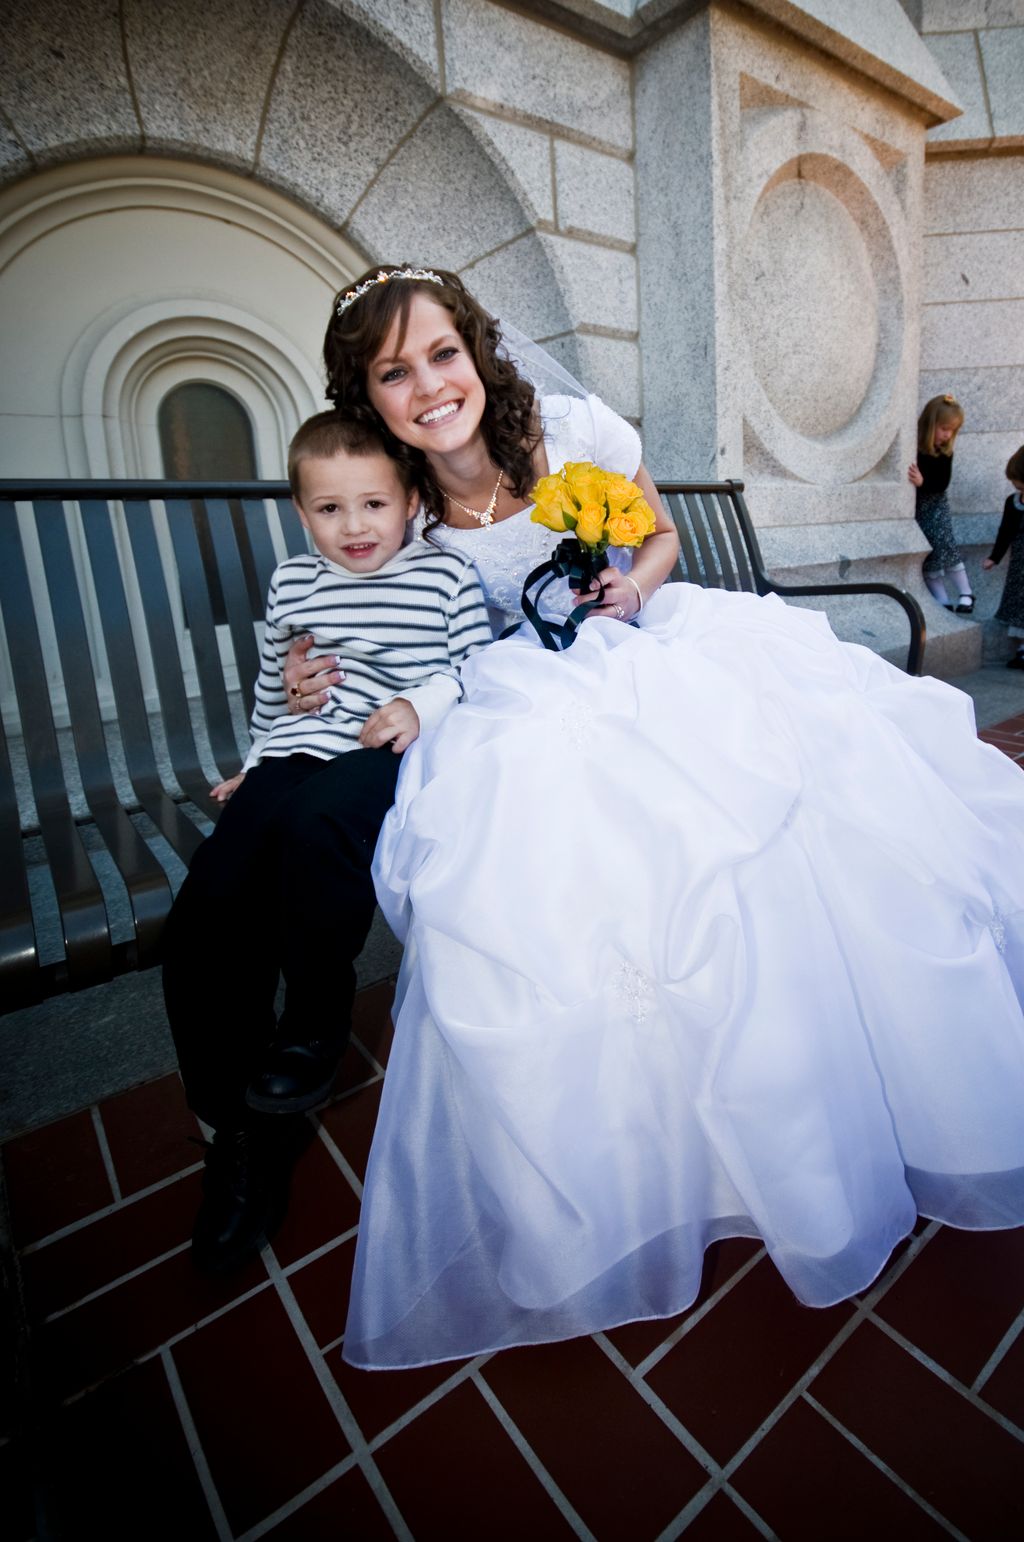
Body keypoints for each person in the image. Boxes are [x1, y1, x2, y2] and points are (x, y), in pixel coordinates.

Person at [287, 265, 1024, 1370]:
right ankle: (634, 1157)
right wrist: (312, 675)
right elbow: (370, 610)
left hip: (646, 642)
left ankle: (798, 1118)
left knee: (759, 813)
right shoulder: (393, 495)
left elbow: (662, 542)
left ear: (475, 349)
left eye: (442, 353)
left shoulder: (569, 428)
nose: (430, 386)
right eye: (396, 371)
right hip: (515, 689)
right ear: (369, 393)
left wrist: (628, 586)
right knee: (536, 856)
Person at [162, 409, 491, 1273]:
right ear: (302, 512)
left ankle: (313, 1026)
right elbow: (281, 688)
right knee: (209, 900)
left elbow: (477, 670)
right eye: (330, 509)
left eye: (374, 505)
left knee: (314, 828)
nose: (354, 528)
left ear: (412, 501)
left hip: (390, 754)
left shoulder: (445, 577)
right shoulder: (294, 582)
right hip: (299, 752)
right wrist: (255, 762)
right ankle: (240, 1124)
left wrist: (422, 706)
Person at [908, 393, 973, 612]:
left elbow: (941, 483)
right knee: (930, 556)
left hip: (935, 507)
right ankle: (942, 600)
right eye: (944, 428)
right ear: (930, 424)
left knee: (946, 545)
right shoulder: (915, 446)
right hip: (919, 510)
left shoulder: (944, 453)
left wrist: (922, 482)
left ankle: (966, 593)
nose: (947, 435)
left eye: (952, 431)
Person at [981, 445, 1024, 670]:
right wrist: (994, 557)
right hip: (1019, 565)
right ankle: (1021, 649)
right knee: (1018, 604)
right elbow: (1005, 531)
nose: (1018, 488)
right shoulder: (1014, 503)